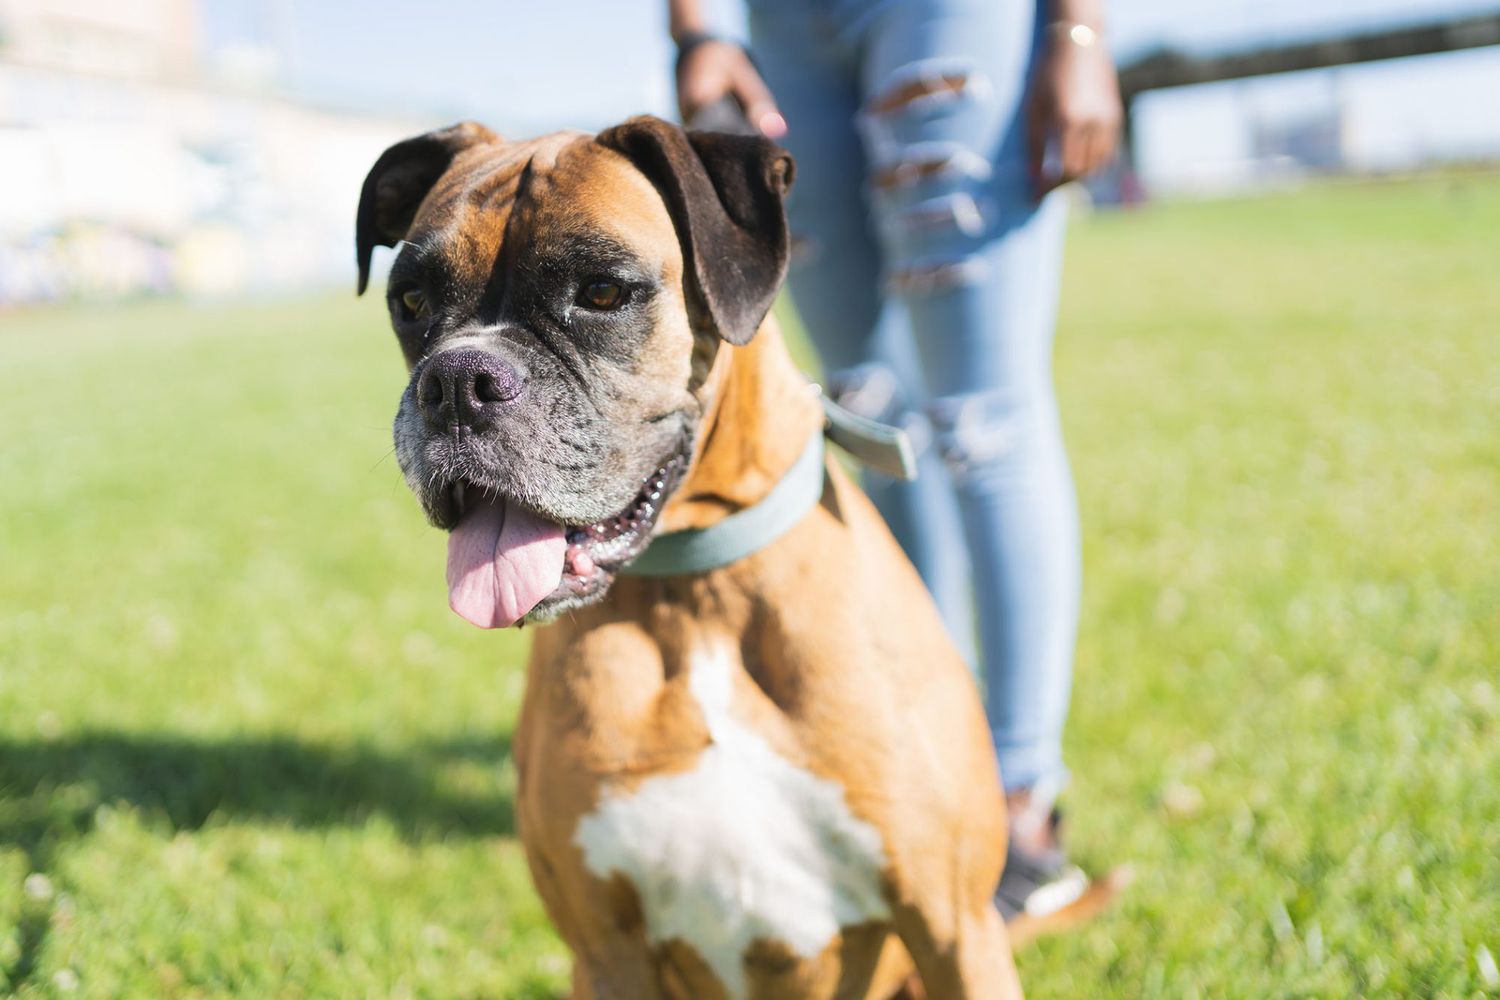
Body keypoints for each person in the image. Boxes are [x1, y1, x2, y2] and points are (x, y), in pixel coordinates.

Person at [668, 0, 1122, 919]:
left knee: (982, 420)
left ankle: (1019, 812)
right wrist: (698, 31)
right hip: (786, 31)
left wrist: (1079, 33)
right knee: (868, 405)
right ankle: (929, 762)